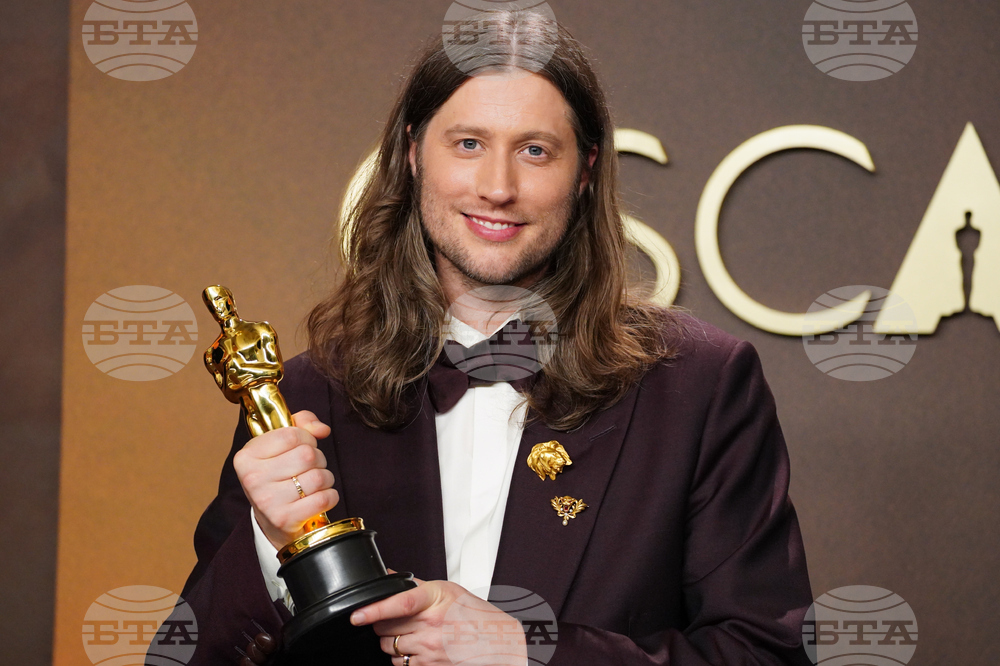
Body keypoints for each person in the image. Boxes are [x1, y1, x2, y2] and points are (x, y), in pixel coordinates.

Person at [177, 12, 813, 666]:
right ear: (412, 153)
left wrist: (526, 651)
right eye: (469, 144)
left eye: (535, 150)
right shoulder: (310, 393)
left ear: (586, 170)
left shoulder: (700, 385)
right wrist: (269, 539)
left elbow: (769, 654)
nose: (498, 188)